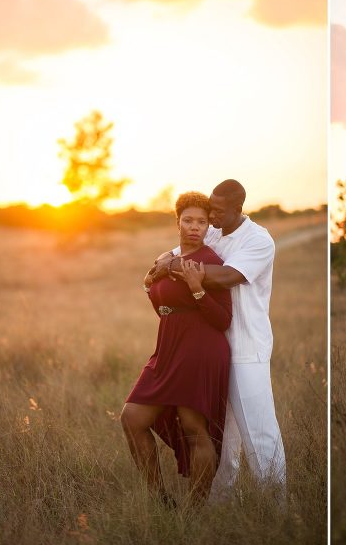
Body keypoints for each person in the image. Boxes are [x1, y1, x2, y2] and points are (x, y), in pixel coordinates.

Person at [150, 179, 286, 497]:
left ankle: (277, 507)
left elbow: (226, 276)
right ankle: (220, 504)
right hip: (212, 349)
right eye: (210, 208)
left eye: (219, 212)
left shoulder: (258, 240)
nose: (211, 217)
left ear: (238, 210)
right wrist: (163, 262)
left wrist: (173, 266)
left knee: (260, 434)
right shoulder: (212, 230)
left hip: (246, 349)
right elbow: (172, 254)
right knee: (221, 437)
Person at [120, 191, 232, 506]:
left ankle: (194, 511)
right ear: (178, 222)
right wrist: (148, 282)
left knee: (195, 428)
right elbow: (162, 303)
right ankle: (161, 501)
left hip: (200, 349)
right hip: (168, 348)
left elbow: (222, 320)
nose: (195, 227)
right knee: (132, 419)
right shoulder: (166, 258)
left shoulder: (211, 262)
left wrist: (197, 289)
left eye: (202, 221)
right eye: (188, 220)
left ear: (209, 225)